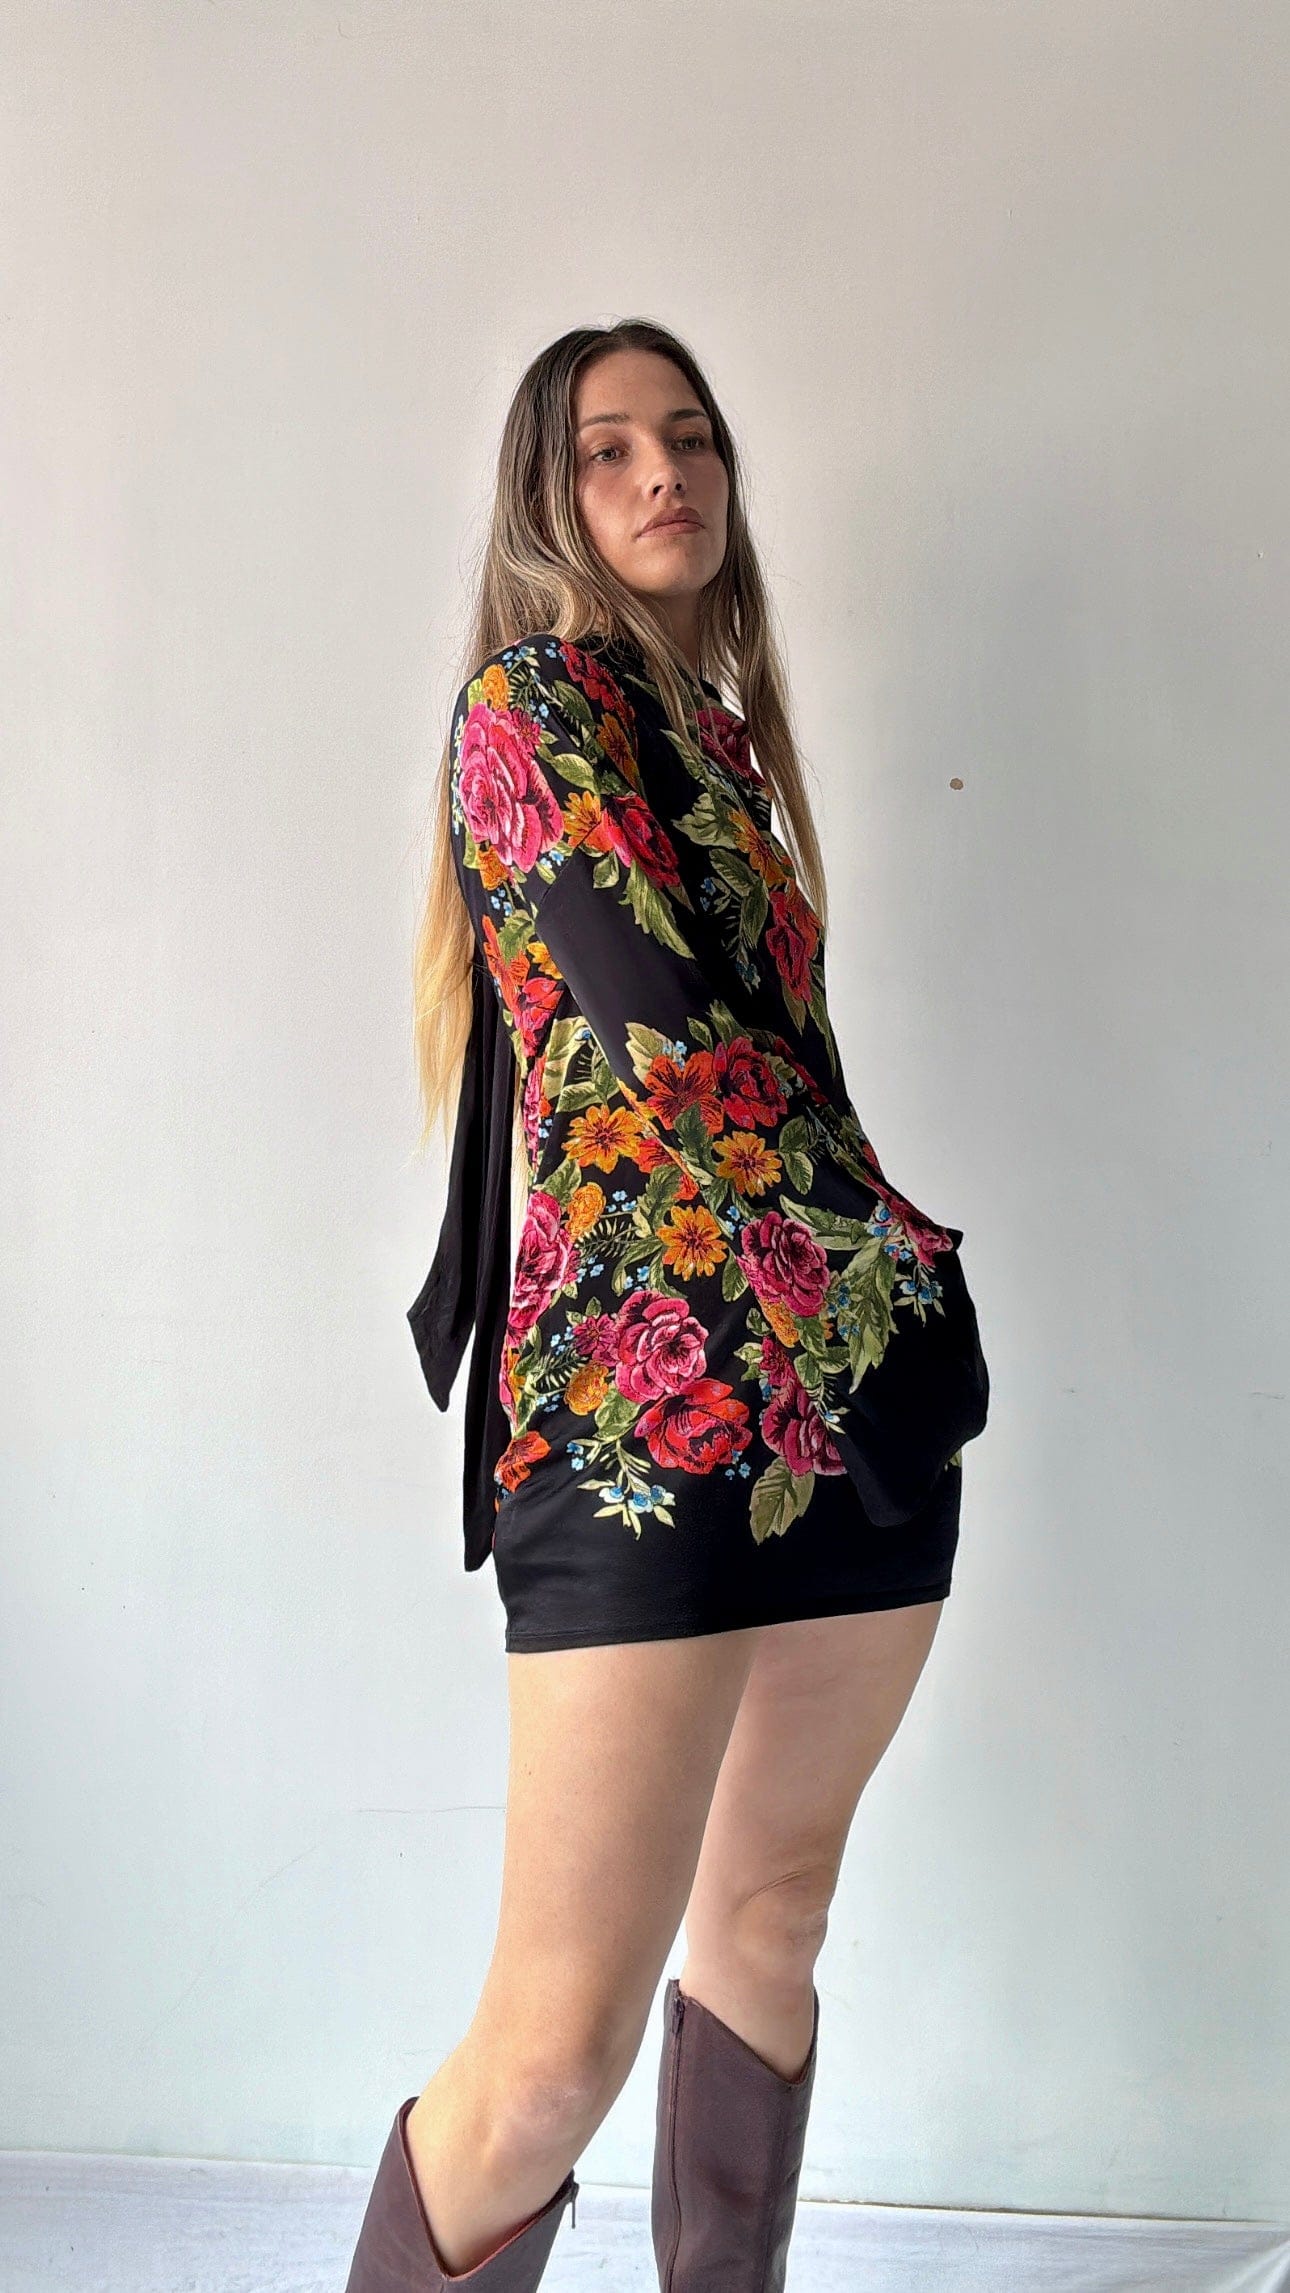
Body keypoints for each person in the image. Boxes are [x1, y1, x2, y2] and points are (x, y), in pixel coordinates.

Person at [343, 319, 990, 2291]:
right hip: (643, 1432)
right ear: (547, 497)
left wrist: (893, 1312)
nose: (660, 474)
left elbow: (789, 1069)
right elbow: (661, 1047)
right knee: (551, 2055)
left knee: (771, 1922)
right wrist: (901, 1262)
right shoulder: (530, 705)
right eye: (608, 446)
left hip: (848, 1417)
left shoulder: (720, 745)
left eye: (689, 437)